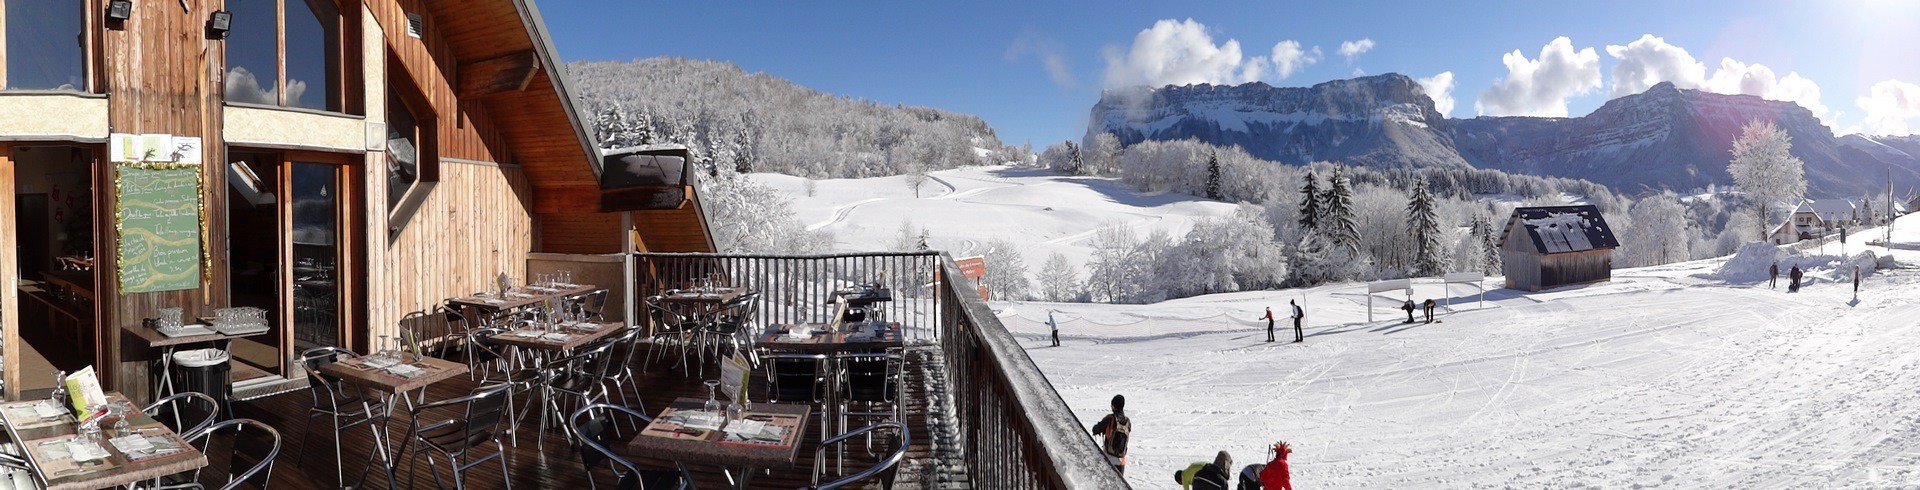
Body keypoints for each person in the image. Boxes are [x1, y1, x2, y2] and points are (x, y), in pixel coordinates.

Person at [1090, 394, 1131, 475]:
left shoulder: (1110, 418)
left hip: (1108, 458)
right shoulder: (1127, 421)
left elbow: (1096, 429)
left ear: (1113, 406)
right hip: (1121, 461)